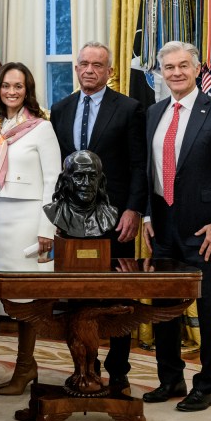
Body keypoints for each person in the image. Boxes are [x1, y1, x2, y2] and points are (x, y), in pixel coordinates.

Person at [142, 41, 211, 412]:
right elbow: (149, 173)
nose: (175, 72)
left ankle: (206, 385)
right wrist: (146, 216)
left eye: (183, 65)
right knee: (164, 309)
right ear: (161, 73)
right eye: (168, 67)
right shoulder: (154, 114)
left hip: (207, 233)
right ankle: (170, 379)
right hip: (163, 231)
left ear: (198, 68)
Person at [49, 41, 147, 392]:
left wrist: (134, 209)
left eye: (97, 65)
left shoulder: (130, 108)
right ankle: (83, 365)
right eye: (84, 64)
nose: (89, 70)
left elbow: (139, 165)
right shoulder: (60, 109)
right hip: (73, 220)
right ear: (76, 69)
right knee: (77, 293)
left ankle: (118, 368)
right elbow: (57, 168)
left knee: (118, 293)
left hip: (115, 217)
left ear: (109, 71)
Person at [0, 61, 61, 395]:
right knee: (10, 297)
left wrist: (48, 228)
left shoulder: (41, 128)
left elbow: (54, 180)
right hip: (1, 217)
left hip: (31, 219)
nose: (12, 91)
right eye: (6, 86)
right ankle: (24, 365)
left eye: (18, 86)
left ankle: (25, 366)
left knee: (28, 296)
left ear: (27, 90)